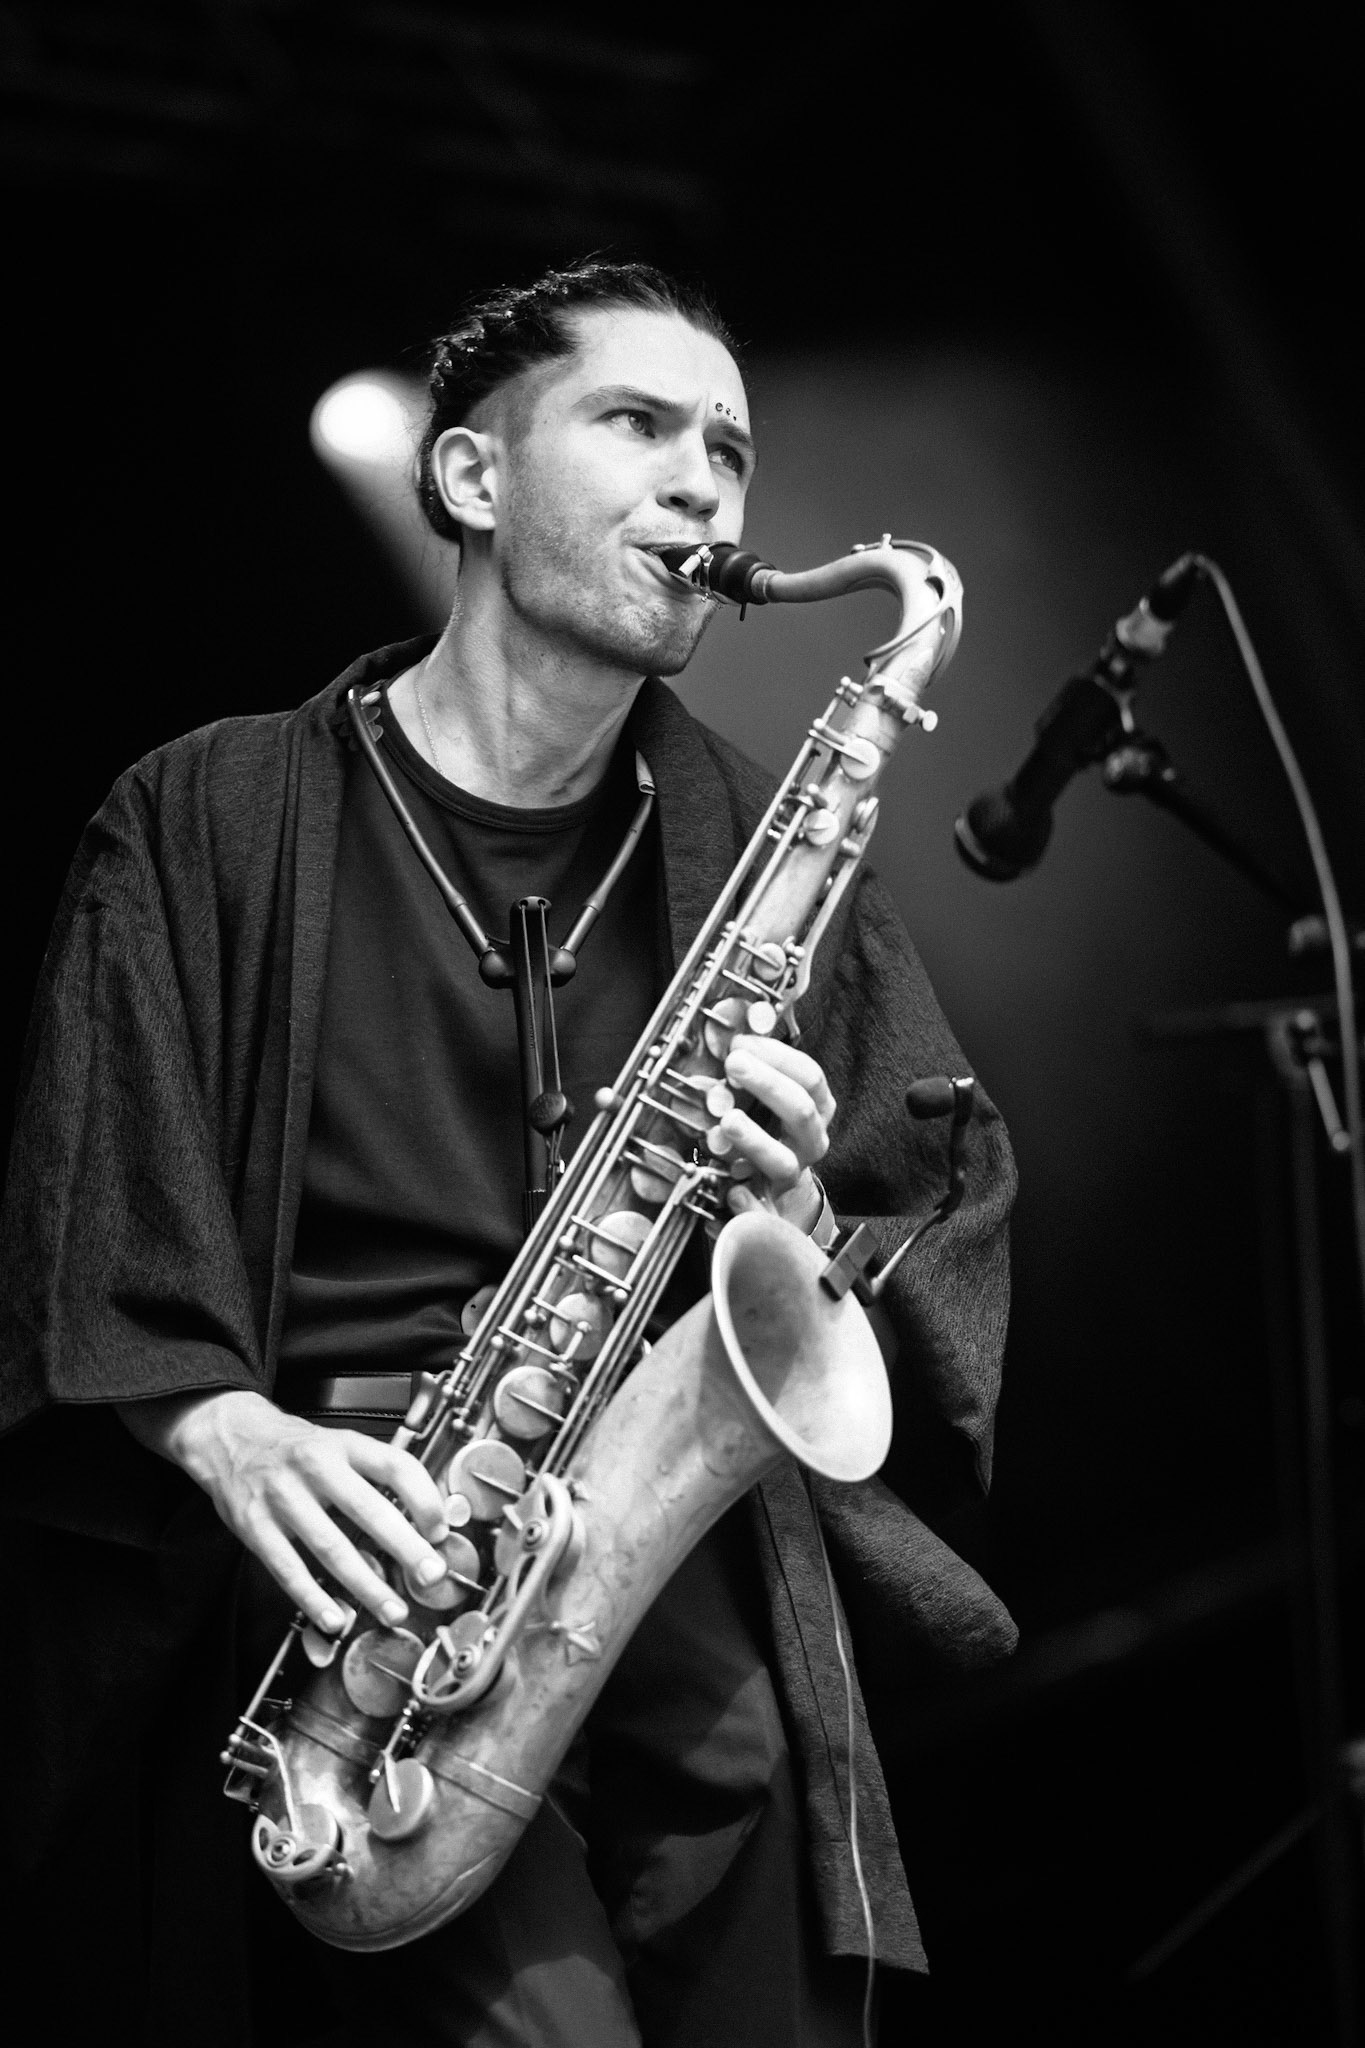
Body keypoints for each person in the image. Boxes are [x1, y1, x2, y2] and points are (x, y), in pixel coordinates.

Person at [0, 261, 1017, 2047]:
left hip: (670, 1558)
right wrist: (223, 1429)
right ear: (469, 477)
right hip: (357, 1580)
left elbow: (930, 1204)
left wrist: (795, 1205)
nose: (704, 486)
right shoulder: (203, 814)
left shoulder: (761, 842)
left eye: (729, 447)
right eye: (638, 424)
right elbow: (83, 1212)